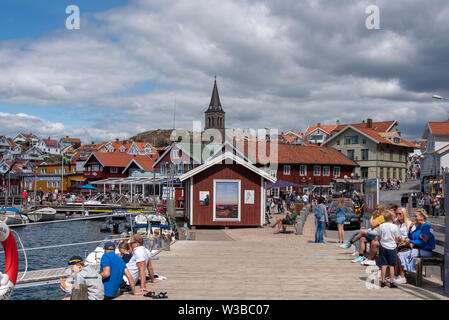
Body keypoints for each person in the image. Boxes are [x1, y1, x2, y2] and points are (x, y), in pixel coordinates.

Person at [397, 209, 435, 282]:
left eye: (416, 216)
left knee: (401, 254)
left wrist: (410, 241)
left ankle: (402, 277)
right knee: (399, 252)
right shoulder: (418, 226)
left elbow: (422, 242)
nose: (414, 218)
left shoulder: (426, 227)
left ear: (422, 217)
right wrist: (410, 229)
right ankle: (400, 275)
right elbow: (412, 237)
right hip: (419, 249)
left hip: (425, 250)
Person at [376, 210, 401, 288]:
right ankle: (391, 282)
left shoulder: (381, 226)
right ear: (392, 218)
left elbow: (379, 236)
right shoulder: (394, 227)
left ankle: (382, 281)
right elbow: (397, 238)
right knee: (391, 265)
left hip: (383, 246)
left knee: (383, 265)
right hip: (392, 247)